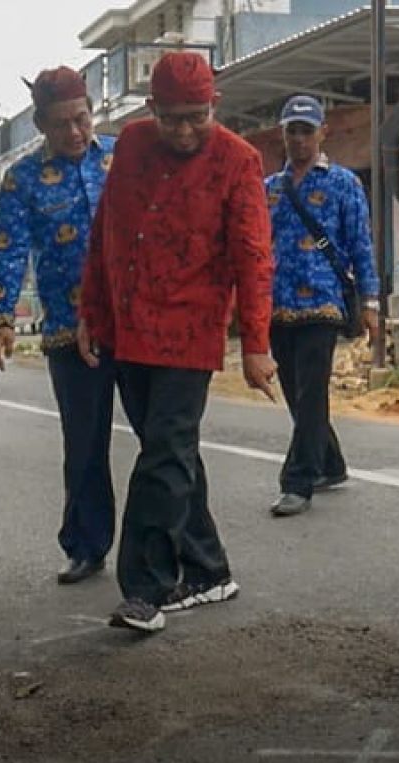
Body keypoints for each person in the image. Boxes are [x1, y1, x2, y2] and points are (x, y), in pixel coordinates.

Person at [78, 51, 276, 633]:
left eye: (197, 116)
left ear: (214, 106)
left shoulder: (239, 162)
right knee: (172, 452)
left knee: (161, 456)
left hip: (190, 331)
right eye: (173, 118)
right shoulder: (132, 146)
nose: (185, 130)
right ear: (151, 109)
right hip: (126, 326)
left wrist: (257, 344)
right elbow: (104, 233)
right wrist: (91, 310)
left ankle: (146, 589)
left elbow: (254, 257)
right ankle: (210, 570)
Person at [0, 66, 118, 585]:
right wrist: (2, 320)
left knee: (164, 441)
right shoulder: (22, 179)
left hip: (134, 324)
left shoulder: (119, 157)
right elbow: (10, 248)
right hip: (68, 330)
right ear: (41, 124)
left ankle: (180, 548)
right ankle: (86, 544)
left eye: (82, 119)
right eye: (62, 124)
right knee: (84, 445)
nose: (75, 133)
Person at [264, 94, 379, 518]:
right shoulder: (270, 189)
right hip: (278, 306)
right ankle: (330, 462)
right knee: (296, 394)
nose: (298, 139)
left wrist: (370, 301)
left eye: (306, 130)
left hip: (324, 303)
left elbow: (361, 246)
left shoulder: (344, 184)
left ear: (322, 133)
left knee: (312, 392)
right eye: (292, 130)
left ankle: (298, 481)